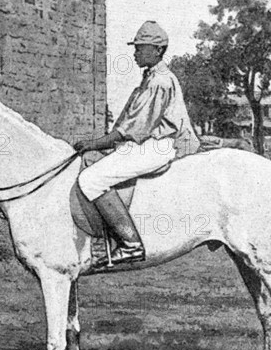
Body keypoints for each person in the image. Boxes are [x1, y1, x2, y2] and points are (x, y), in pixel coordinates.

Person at [74, 21, 200, 267]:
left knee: (91, 179)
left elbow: (131, 129)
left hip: (162, 145)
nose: (135, 53)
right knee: (92, 162)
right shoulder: (151, 77)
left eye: (140, 48)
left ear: (157, 50)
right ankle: (103, 237)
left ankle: (130, 243)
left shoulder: (159, 81)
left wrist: (94, 143)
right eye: (136, 48)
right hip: (150, 142)